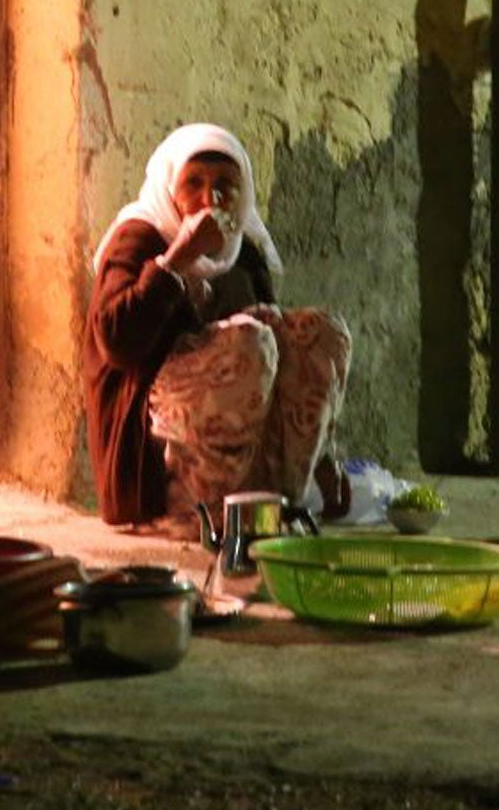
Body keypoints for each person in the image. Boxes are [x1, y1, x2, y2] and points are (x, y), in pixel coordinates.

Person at [83, 122, 354, 532]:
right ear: (170, 189)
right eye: (193, 183)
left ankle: (277, 500)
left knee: (320, 331)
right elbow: (117, 342)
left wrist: (324, 459)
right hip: (150, 444)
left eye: (226, 184)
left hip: (238, 428)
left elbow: (282, 361)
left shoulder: (243, 252)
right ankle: (198, 510)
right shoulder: (139, 238)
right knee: (251, 339)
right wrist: (177, 259)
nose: (210, 198)